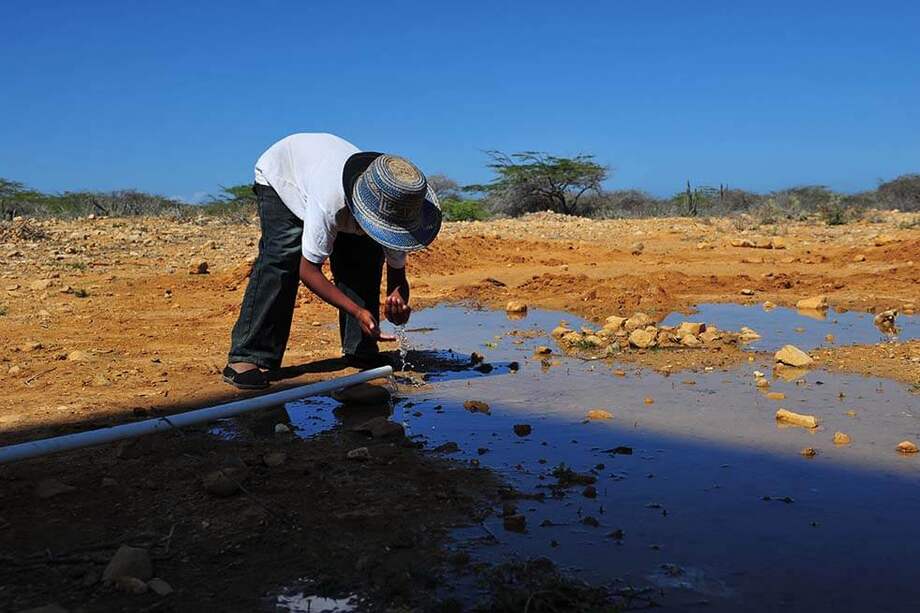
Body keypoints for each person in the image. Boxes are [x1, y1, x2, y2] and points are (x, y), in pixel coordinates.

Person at [223, 133, 442, 390]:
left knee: (365, 259)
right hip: (284, 175)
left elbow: (397, 279)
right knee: (284, 257)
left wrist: (398, 302)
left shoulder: (396, 211)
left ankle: (360, 349)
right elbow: (308, 270)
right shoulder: (330, 201)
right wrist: (357, 310)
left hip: (335, 182)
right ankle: (247, 356)